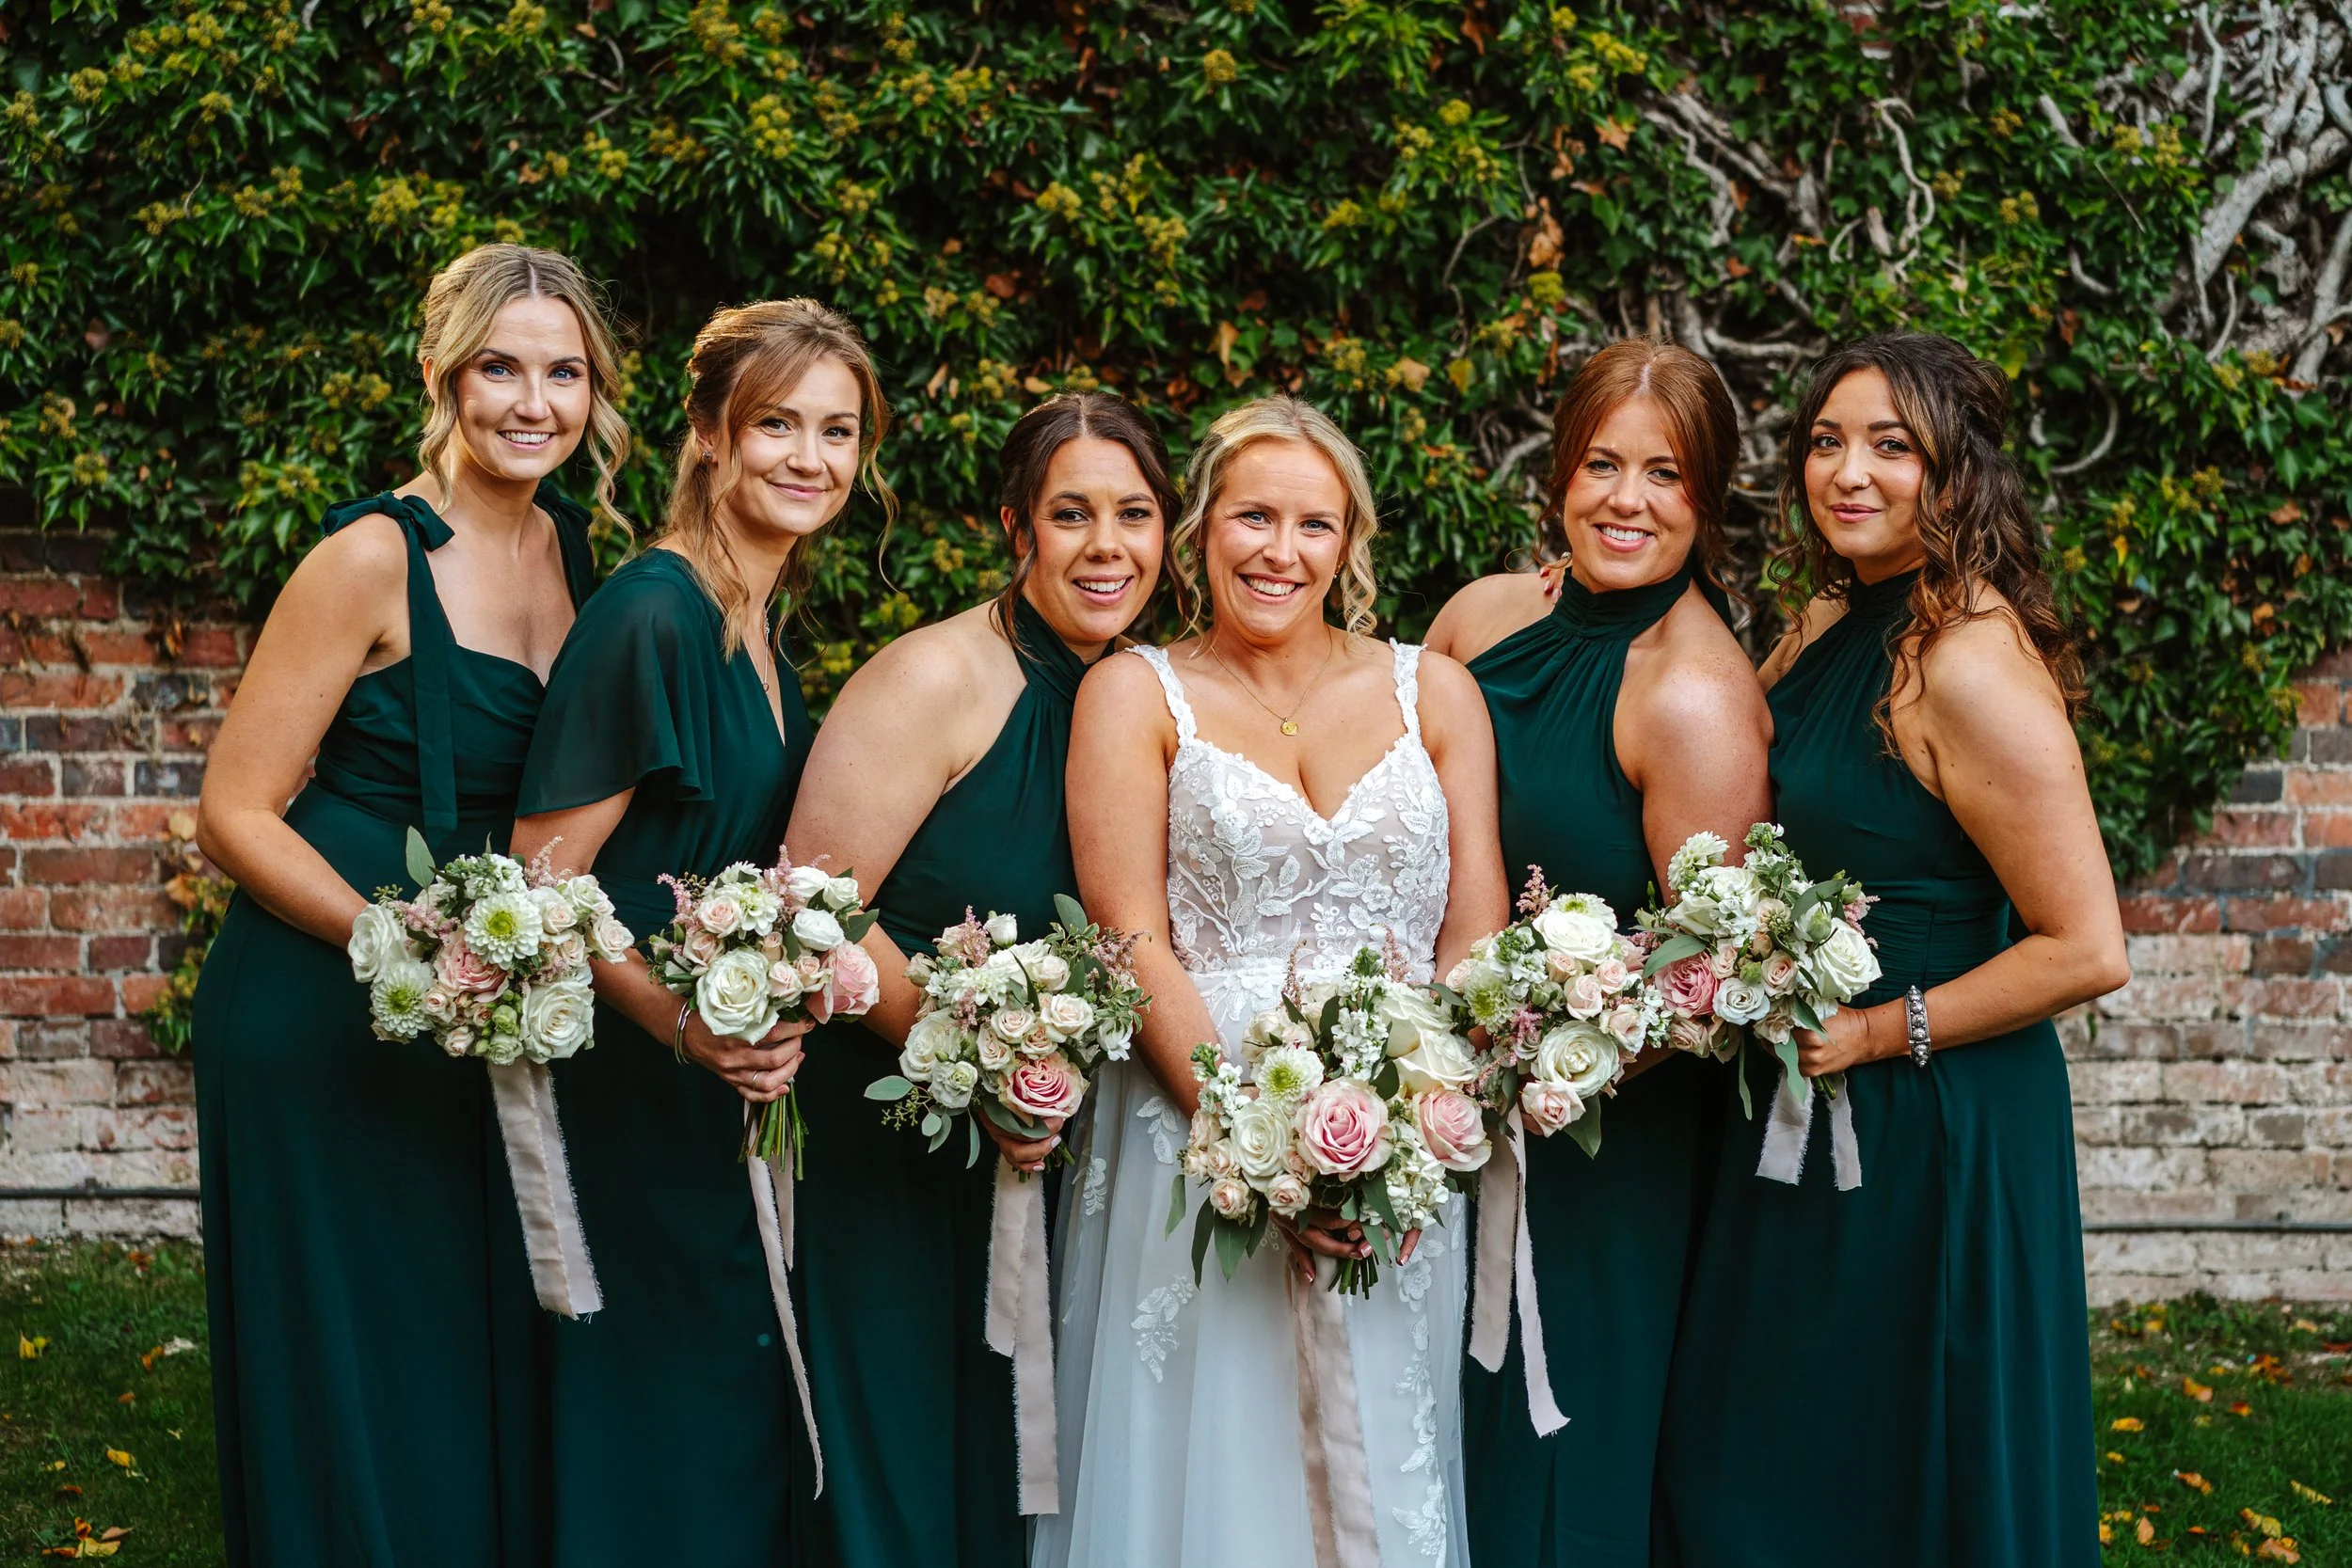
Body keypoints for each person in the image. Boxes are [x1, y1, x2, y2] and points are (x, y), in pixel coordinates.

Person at [1656, 331, 2127, 1567]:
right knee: (1762, 1442)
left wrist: (1876, 1029)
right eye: (1825, 441)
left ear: (1954, 471)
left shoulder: (1966, 661)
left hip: (1932, 1114)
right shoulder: (1825, 622)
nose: (1848, 471)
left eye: (1891, 446)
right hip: (1807, 1088)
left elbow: (2087, 945)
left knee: (1904, 1453)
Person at [192, 242, 621, 1564]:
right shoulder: (370, 555)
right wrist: (392, 938)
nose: (531, 402)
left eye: (562, 372)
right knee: (357, 1356)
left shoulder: (572, 541)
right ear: (445, 373)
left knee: (466, 1332)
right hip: (325, 1000)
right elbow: (236, 809)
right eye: (500, 367)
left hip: (488, 988)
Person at [1038, 395, 1509, 1567]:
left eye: (1313, 524)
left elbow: (1475, 933)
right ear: (1201, 528)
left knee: (1382, 1445)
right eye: (1252, 515)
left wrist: (1420, 1115)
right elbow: (1130, 936)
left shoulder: (1432, 691)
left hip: (1399, 1139)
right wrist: (1255, 1143)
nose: (1279, 551)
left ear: (1349, 543)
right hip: (1198, 1130)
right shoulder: (1133, 693)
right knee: (1213, 1457)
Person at [506, 298, 892, 1565]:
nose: (809, 457)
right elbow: (541, 882)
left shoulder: (756, 627)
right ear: (711, 435)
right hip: (643, 1091)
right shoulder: (655, 614)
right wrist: (680, 1023)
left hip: (725, 1084)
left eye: (838, 431)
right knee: (670, 1405)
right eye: (777, 423)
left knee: (733, 1393)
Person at [783, 390, 1176, 1567]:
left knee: (1015, 1475)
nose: (1106, 546)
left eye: (1135, 513)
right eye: (1071, 513)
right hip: (896, 1145)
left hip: (1059, 1158)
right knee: (901, 1465)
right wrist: (985, 1059)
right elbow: (813, 901)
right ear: (1017, 527)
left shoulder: (1152, 692)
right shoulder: (937, 679)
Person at [1423, 337, 1772, 1568]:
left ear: (1706, 497)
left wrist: (1537, 1065)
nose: (1626, 499)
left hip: (1591, 1134)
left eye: (1665, 474)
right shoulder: (1477, 615)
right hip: (1438, 1101)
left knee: (1554, 1447)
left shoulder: (1693, 694)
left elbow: (1708, 969)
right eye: (1602, 464)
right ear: (1560, 472)